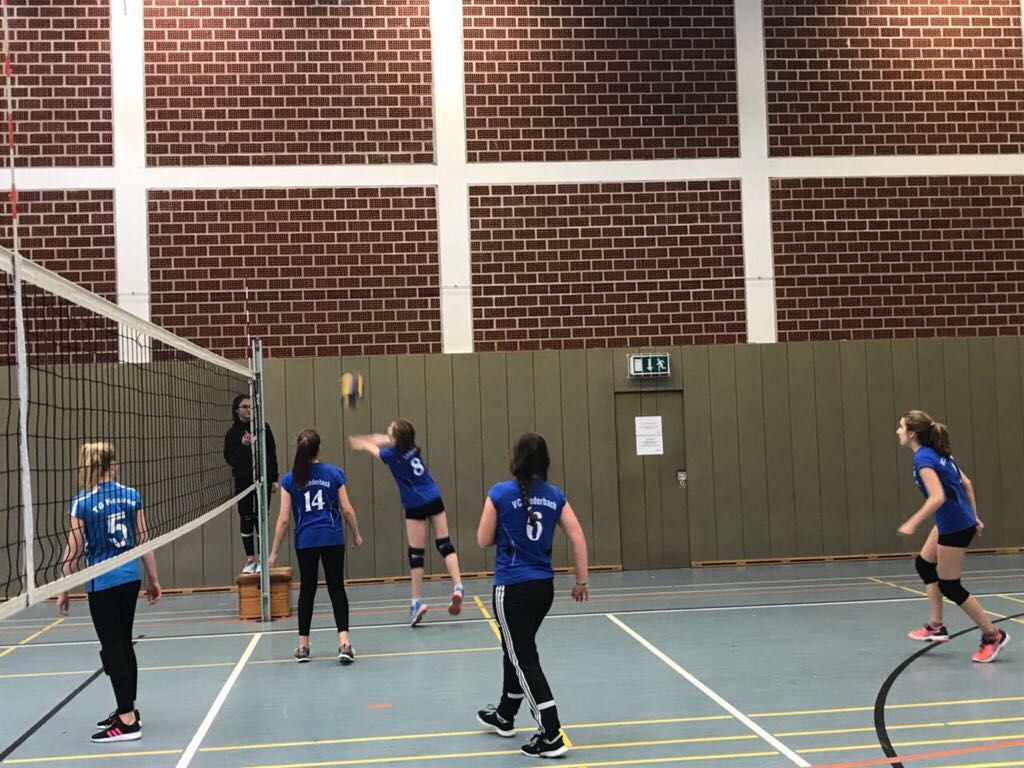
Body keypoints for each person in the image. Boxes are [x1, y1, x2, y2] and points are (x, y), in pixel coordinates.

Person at [474, 433, 589, 759]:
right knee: (516, 648)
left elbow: (483, 539)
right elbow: (577, 537)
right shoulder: (555, 496)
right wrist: (581, 581)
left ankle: (550, 732)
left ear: (516, 460)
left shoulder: (499, 493)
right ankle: (505, 714)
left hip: (512, 589)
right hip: (542, 590)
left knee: (523, 658)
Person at [56, 442, 161, 743]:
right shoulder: (131, 495)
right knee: (124, 643)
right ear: (110, 465)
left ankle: (127, 721)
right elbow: (143, 540)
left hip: (102, 582)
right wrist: (153, 579)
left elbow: (74, 549)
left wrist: (62, 586)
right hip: (129, 578)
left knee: (113, 647)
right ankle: (129, 709)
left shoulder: (81, 502)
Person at [897, 410, 1009, 663]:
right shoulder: (937, 453)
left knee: (950, 585)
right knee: (924, 564)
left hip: (955, 525)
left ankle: (992, 635)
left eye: (901, 427)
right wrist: (974, 515)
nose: (898, 431)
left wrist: (912, 522)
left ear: (912, 433)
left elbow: (937, 497)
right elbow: (966, 483)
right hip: (953, 520)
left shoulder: (923, 459)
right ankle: (936, 626)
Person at [349, 419, 464, 626]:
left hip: (415, 504)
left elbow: (374, 448)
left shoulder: (391, 455)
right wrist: (369, 437)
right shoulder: (410, 447)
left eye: (390, 429)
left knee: (416, 555)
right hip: (434, 497)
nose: (387, 430)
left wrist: (361, 443)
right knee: (445, 544)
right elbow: (382, 439)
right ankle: (458, 586)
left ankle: (416, 603)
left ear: (396, 438)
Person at [269, 429, 363, 664]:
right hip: (332, 537)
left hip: (306, 540)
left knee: (307, 590)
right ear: (318, 448)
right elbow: (347, 509)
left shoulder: (290, 479)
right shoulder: (333, 473)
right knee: (336, 588)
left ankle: (303, 647)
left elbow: (283, 519)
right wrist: (356, 535)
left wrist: (274, 553)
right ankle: (344, 644)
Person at [224, 393, 279, 574]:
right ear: (237, 410)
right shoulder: (232, 434)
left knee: (260, 517)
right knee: (246, 517)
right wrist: (243, 445)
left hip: (263, 480)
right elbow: (230, 459)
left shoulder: (263, 427)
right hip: (243, 481)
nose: (249, 409)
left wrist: (274, 478)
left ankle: (263, 557)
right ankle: (250, 559)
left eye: (251, 406)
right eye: (245, 407)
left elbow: (271, 454)